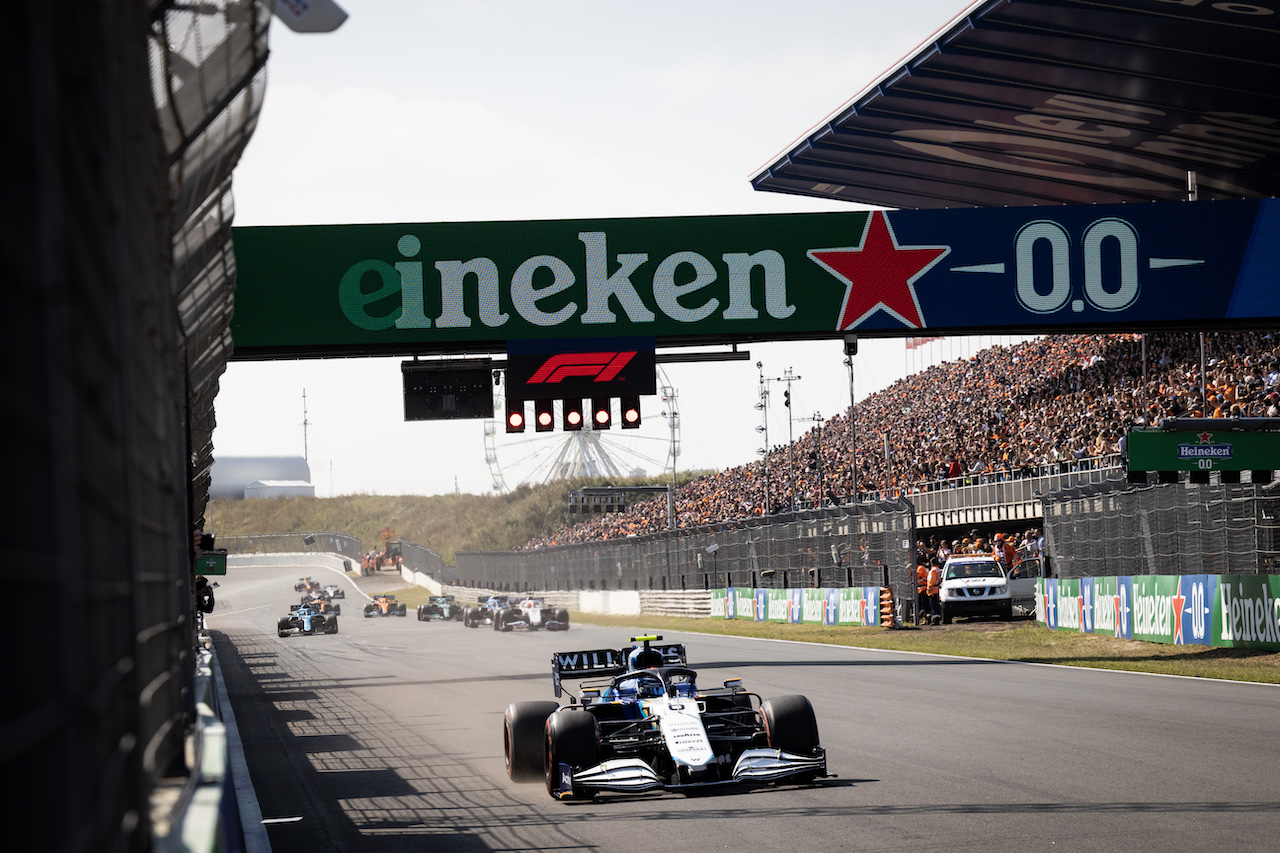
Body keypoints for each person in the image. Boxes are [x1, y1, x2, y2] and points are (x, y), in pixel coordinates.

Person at [926, 558, 942, 625]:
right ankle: (937, 619)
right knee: (937, 605)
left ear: (931, 563)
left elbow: (931, 581)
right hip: (937, 589)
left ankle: (935, 620)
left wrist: (929, 588)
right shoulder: (938, 570)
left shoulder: (933, 571)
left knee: (933, 606)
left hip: (933, 590)